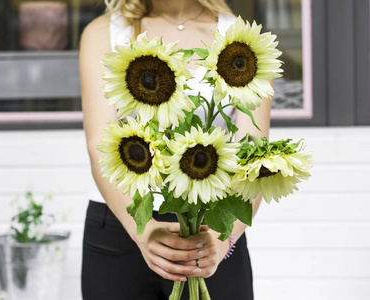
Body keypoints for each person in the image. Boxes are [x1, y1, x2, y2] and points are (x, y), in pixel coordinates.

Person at [79, 0, 272, 299]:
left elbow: (255, 155)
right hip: (121, 225)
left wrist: (223, 242)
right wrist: (142, 232)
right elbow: (100, 145)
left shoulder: (241, 41)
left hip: (213, 228)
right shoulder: (105, 33)